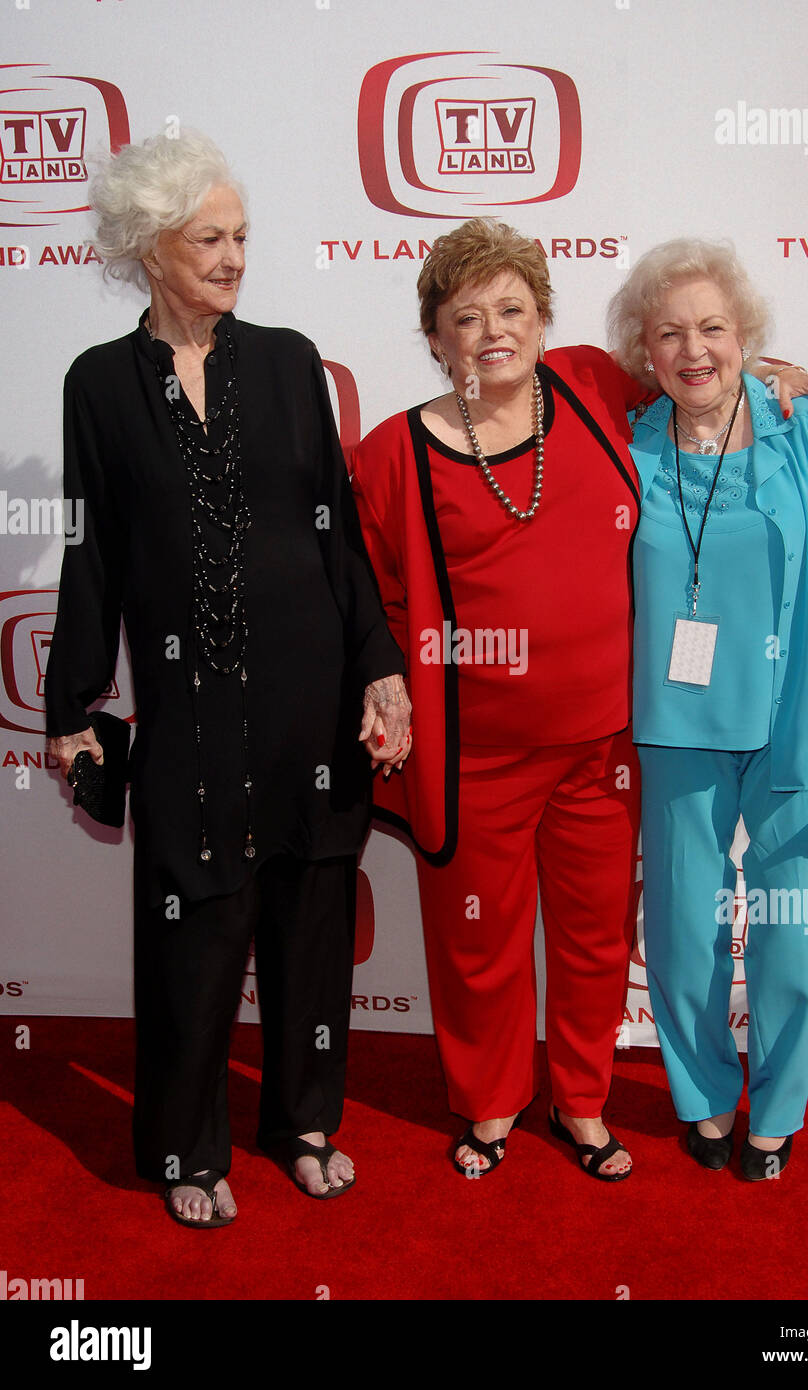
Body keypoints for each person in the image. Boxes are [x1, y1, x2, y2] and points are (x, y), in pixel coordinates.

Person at [350, 218, 808, 1181]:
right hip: (474, 752)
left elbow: (696, 363)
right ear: (434, 333)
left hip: (608, 744)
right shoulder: (390, 455)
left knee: (590, 940)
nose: (493, 331)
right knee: (478, 941)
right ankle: (489, 1107)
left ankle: (580, 1103)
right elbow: (369, 595)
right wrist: (386, 686)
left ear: (543, 320)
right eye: (466, 316)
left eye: (513, 309)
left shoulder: (585, 384)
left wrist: (781, 369)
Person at [45, 131, 409, 1226]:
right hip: (190, 708)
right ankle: (183, 1148)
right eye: (208, 238)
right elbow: (90, 548)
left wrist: (379, 669)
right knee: (191, 936)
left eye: (241, 235)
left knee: (309, 918)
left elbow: (339, 535)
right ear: (149, 248)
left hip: (309, 699)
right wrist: (71, 710)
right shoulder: (100, 384)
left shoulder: (290, 360)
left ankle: (302, 1120)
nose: (233, 256)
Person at [608, 238, 808, 1179]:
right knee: (685, 930)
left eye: (713, 328)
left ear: (746, 338)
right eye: (669, 333)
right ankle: (699, 1096)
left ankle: (774, 1115)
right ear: (643, 352)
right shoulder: (625, 446)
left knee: (790, 937)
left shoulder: (805, 427)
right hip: (677, 727)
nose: (693, 350)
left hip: (798, 724)